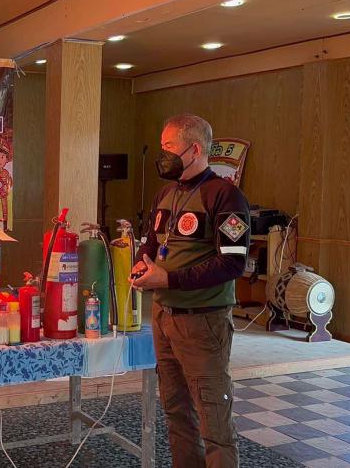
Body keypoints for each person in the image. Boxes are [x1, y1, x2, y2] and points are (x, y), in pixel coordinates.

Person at [131, 114, 250, 467]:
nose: (163, 155)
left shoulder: (226, 196)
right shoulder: (166, 193)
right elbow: (152, 243)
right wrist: (142, 263)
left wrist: (169, 280)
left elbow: (233, 264)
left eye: (169, 147)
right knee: (176, 412)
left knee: (214, 419)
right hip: (163, 318)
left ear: (195, 149)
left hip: (203, 322)